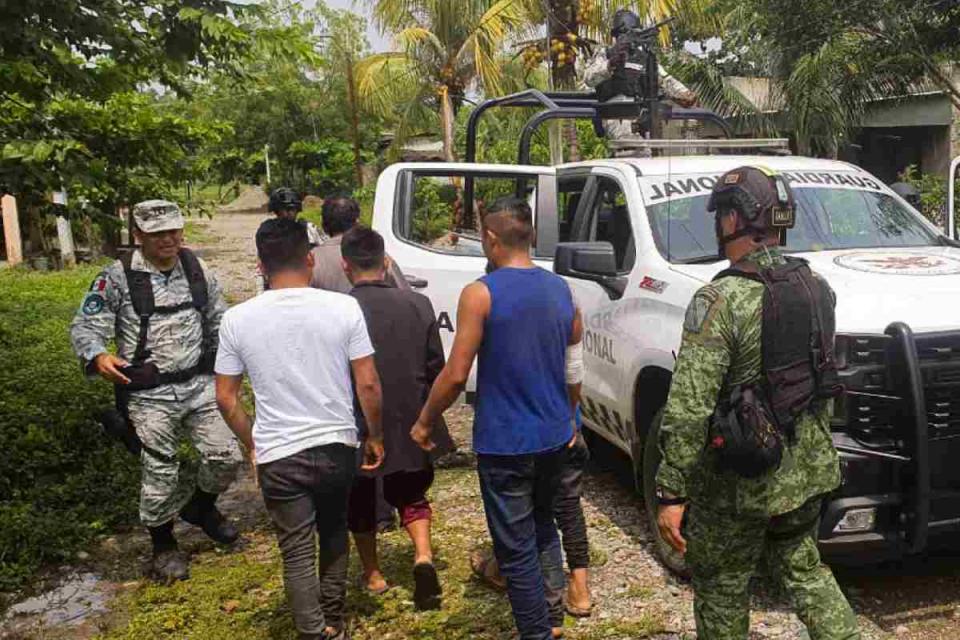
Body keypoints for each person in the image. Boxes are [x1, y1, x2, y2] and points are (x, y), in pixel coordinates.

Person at [655, 166, 861, 639]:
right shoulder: (816, 285)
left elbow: (688, 409)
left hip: (739, 482)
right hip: (805, 471)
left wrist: (671, 491)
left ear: (732, 221)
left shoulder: (720, 300)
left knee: (723, 587)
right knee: (805, 572)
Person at [410, 196, 584, 640]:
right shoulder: (562, 289)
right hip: (553, 436)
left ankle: (537, 633)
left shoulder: (479, 293)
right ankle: (552, 618)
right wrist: (572, 418)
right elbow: (573, 369)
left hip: (505, 442)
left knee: (516, 547)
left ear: (489, 239)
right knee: (545, 526)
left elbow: (454, 374)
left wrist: (426, 421)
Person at [215, 217, 385, 640]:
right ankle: (334, 621)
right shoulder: (344, 307)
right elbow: (367, 382)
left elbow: (225, 398)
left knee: (295, 551)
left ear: (260, 265)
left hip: (279, 453)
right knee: (333, 534)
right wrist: (375, 435)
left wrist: (253, 442)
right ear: (310, 259)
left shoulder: (236, 319)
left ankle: (313, 633)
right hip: (336, 445)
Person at [69, 199, 241, 583]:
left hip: (199, 385)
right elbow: (85, 325)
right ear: (138, 236)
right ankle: (163, 545)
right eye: (157, 233)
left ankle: (200, 508)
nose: (168, 239)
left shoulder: (198, 270)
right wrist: (97, 355)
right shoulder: (116, 277)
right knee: (160, 469)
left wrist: (234, 363)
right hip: (148, 393)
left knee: (226, 456)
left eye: (174, 231)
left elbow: (221, 321)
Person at [340, 226, 455, 610]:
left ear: (345, 267)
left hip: (359, 418)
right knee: (411, 492)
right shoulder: (418, 304)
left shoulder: (338, 309)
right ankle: (423, 556)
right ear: (386, 262)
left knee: (360, 499)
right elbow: (436, 365)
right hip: (411, 415)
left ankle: (373, 574)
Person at [471, 410, 593, 618]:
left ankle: (510, 578)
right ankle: (580, 587)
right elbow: (574, 377)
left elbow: (467, 383)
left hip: (517, 436)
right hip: (564, 425)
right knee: (568, 504)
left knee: (521, 514)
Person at [583, 9, 696, 153]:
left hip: (642, 117)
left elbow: (665, 79)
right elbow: (589, 78)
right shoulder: (605, 54)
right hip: (616, 116)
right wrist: (610, 64)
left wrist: (684, 93)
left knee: (654, 152)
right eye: (621, 36)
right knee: (635, 150)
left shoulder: (644, 58)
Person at [310, 196, 409, 293]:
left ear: (324, 226)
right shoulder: (376, 255)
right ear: (356, 222)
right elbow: (405, 296)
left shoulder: (310, 261)